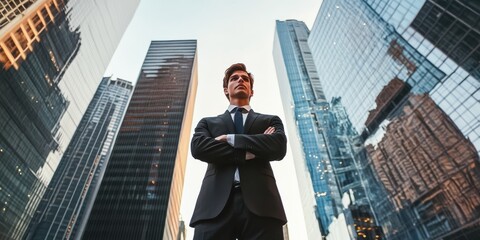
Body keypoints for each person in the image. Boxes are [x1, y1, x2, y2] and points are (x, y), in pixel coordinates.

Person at [190, 63, 287, 239]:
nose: (240, 80)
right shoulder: (208, 122)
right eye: (234, 78)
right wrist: (250, 151)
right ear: (226, 90)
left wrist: (230, 139)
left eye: (245, 79)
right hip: (213, 206)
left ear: (251, 91)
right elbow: (199, 148)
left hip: (263, 205)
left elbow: (278, 147)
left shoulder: (270, 120)